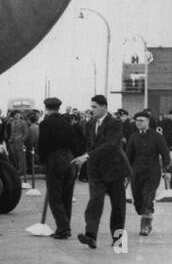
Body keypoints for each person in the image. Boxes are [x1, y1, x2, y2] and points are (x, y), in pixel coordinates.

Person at [71, 95, 130, 248]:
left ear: (104, 107)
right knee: (95, 202)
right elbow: (90, 145)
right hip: (96, 170)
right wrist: (83, 156)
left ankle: (118, 239)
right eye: (91, 107)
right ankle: (91, 236)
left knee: (118, 205)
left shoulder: (115, 123)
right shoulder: (90, 124)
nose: (92, 110)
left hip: (114, 169)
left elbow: (110, 145)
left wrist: (87, 156)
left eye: (94, 107)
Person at [37, 97, 81, 238]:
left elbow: (42, 145)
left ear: (46, 107)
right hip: (69, 159)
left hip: (54, 160)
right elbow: (75, 143)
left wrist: (43, 161)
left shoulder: (45, 123)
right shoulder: (67, 123)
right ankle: (65, 225)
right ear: (58, 107)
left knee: (55, 197)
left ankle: (63, 229)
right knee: (66, 196)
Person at [125, 110, 169, 236]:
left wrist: (167, 171)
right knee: (138, 201)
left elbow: (165, 154)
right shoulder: (133, 137)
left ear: (148, 122)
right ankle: (145, 214)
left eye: (141, 121)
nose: (138, 123)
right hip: (136, 173)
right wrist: (126, 173)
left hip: (152, 173)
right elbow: (128, 156)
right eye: (137, 120)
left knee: (147, 199)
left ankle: (145, 226)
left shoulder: (157, 136)